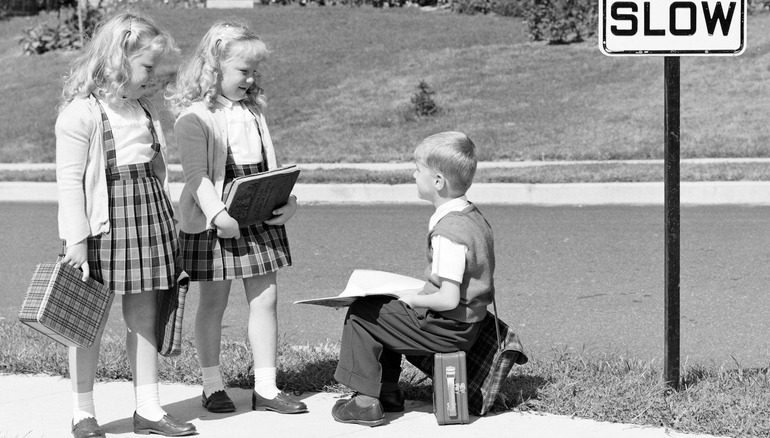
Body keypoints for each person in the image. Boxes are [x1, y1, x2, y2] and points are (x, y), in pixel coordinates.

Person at [56, 12, 196, 438]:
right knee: (86, 318)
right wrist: (75, 241)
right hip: (101, 223)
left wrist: (169, 218)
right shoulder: (80, 114)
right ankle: (83, 411)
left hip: (146, 213)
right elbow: (70, 184)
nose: (153, 77)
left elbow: (158, 170)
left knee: (145, 313)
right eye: (147, 67)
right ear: (119, 59)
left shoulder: (143, 110)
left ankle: (148, 408)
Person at [166, 20, 305, 415]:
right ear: (214, 67)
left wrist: (288, 201)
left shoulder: (254, 112)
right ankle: (212, 385)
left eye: (254, 72)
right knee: (214, 302)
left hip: (258, 214)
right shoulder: (195, 117)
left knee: (267, 298)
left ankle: (266, 386)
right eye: (244, 71)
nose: (251, 79)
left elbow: (268, 168)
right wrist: (218, 215)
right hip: (216, 220)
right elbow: (197, 178)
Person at [331, 131, 495, 426]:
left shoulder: (449, 232)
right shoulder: (471, 216)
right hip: (466, 323)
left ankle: (367, 401)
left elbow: (447, 298)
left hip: (448, 327)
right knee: (385, 311)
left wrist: (412, 299)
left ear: (437, 182)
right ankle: (389, 393)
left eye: (418, 170)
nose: (413, 174)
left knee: (362, 314)